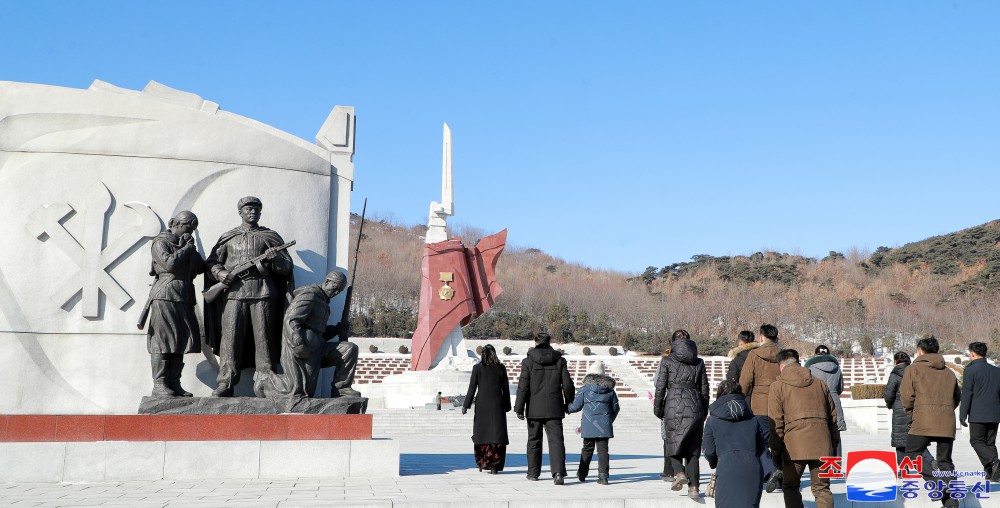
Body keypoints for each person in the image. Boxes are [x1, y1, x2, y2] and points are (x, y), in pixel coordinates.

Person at [205, 196, 294, 397]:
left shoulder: (270, 237)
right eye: (248, 209)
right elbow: (211, 263)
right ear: (241, 212)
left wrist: (276, 258)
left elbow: (286, 268)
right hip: (234, 294)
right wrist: (221, 274)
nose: (252, 212)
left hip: (263, 293)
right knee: (230, 339)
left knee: (264, 340)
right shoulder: (229, 237)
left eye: (256, 209)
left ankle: (266, 381)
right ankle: (226, 382)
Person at [253, 272, 360, 398]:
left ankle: (341, 388)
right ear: (327, 282)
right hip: (303, 349)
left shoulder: (325, 303)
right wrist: (298, 345)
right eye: (335, 287)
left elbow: (319, 331)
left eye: (339, 290)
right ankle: (265, 380)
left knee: (349, 349)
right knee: (300, 391)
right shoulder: (310, 294)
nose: (336, 292)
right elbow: (291, 319)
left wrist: (336, 330)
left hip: (318, 347)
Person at [141, 211, 204, 397]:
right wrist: (186, 250)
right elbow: (169, 265)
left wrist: (191, 250)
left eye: (192, 229)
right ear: (173, 223)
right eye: (186, 227)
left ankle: (175, 382)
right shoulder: (161, 242)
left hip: (183, 295)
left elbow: (200, 267)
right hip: (165, 294)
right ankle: (159, 384)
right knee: (162, 340)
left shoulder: (186, 245)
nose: (189, 232)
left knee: (179, 340)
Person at [768, 349, 839, 508]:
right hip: (822, 443)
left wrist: (776, 451)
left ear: (781, 366)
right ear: (798, 362)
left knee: (791, 486)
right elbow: (833, 418)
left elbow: (775, 423)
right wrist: (833, 444)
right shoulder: (821, 384)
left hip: (793, 447)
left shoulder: (777, 386)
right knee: (822, 489)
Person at [901, 336, 962, 507]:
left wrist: (911, 413)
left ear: (920, 351)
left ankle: (935, 481)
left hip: (922, 420)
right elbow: (957, 398)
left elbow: (906, 397)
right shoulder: (949, 372)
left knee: (912, 455)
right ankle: (951, 503)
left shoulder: (913, 369)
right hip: (946, 422)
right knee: (945, 462)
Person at [653, 329, 709, 500]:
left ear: (673, 343)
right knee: (693, 449)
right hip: (695, 405)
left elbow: (660, 387)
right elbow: (704, 389)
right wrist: (704, 410)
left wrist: (658, 409)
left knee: (672, 441)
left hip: (673, 404)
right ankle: (694, 488)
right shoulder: (699, 362)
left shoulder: (667, 361)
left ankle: (679, 472)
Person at [514, 332, 575, 484]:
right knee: (556, 441)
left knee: (534, 441)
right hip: (555, 408)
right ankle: (559, 473)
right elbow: (567, 384)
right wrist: (569, 401)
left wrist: (519, 407)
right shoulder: (560, 361)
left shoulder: (528, 362)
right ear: (549, 342)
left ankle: (533, 473)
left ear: (535, 342)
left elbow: (523, 386)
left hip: (534, 408)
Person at [703, 380, 769, 508]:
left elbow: (708, 450)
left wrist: (714, 463)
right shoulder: (753, 420)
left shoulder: (712, 421)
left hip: (726, 467)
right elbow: (762, 449)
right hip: (752, 468)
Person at [738, 323, 783, 492]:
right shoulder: (785, 355)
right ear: (777, 338)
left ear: (761, 337)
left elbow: (745, 381)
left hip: (760, 405)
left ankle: (772, 471)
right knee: (780, 441)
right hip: (782, 405)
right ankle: (782, 476)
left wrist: (740, 399)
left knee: (760, 442)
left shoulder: (754, 355)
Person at [567, 361, 620, 485]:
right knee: (603, 450)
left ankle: (582, 474)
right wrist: (608, 420)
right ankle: (603, 476)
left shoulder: (585, 389)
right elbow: (616, 408)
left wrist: (565, 408)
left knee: (587, 449)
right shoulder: (610, 391)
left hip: (589, 424)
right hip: (604, 425)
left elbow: (575, 406)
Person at [462, 344, 511, 474]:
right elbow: (505, 388)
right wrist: (507, 405)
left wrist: (466, 405)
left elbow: (472, 388)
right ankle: (495, 466)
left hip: (482, 404)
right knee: (497, 434)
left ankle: (482, 463)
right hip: (497, 404)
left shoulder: (477, 368)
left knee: (481, 433)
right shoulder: (501, 368)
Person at [884, 352, 934, 469]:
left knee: (900, 442)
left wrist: (890, 405)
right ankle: (930, 460)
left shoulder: (895, 375)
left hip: (899, 410)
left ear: (896, 361)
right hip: (916, 409)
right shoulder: (916, 372)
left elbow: (888, 394)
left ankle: (903, 469)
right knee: (918, 440)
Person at [959, 341, 1000, 481]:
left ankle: (994, 461)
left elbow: (967, 393)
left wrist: (962, 414)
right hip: (994, 413)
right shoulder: (997, 371)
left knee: (976, 441)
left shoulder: (970, 370)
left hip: (977, 414)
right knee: (990, 443)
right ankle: (993, 474)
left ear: (972, 354)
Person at [805, 345, 847, 441]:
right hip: (835, 402)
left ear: (815, 354)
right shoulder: (837, 368)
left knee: (819, 437)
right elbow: (840, 389)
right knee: (836, 437)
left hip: (816, 402)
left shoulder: (810, 368)